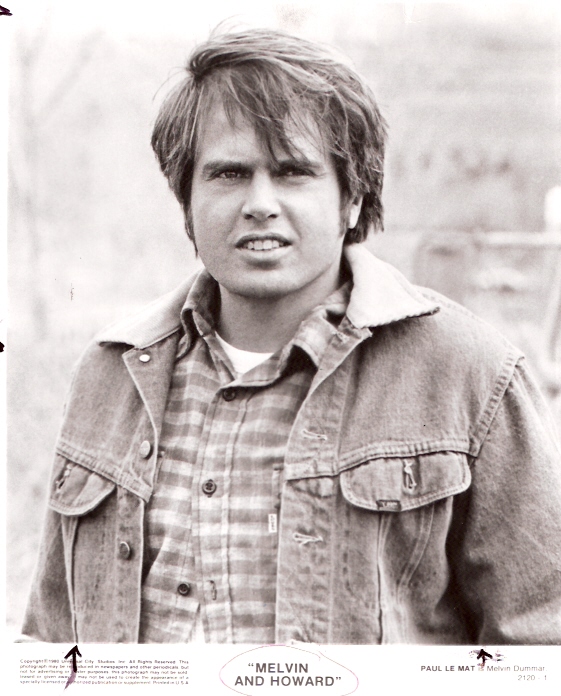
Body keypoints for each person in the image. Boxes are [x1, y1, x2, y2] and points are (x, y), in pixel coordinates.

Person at [23, 28, 561, 645]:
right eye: (228, 173)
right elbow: (51, 644)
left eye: (293, 172)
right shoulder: (110, 374)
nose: (260, 203)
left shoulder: (473, 375)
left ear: (352, 199)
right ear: (186, 201)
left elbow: (542, 647)